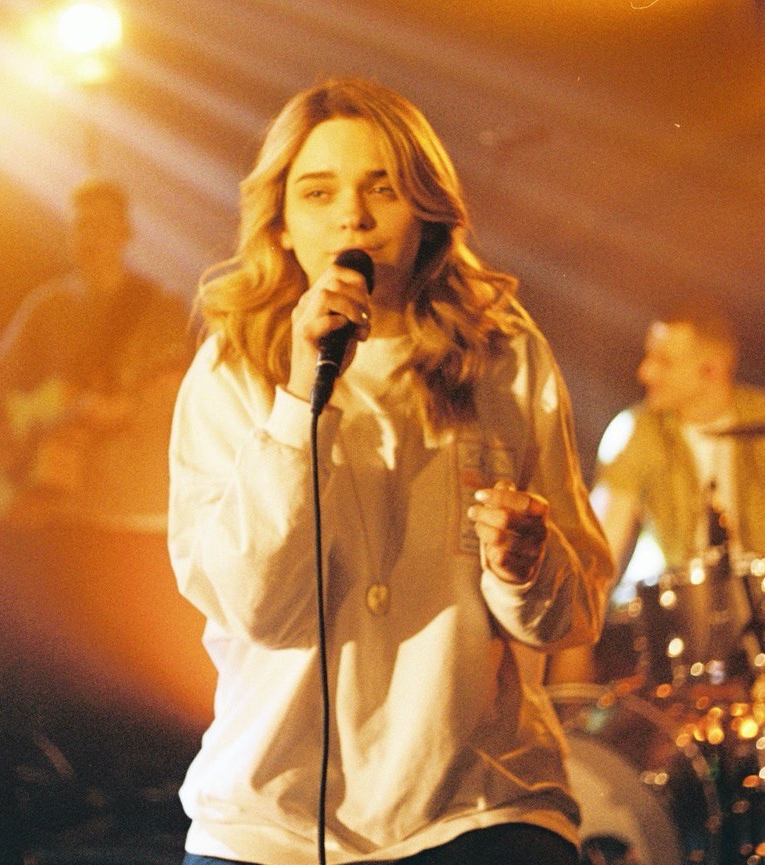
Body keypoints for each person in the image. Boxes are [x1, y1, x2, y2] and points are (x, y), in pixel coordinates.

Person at [167, 77, 613, 865]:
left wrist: (524, 565)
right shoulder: (231, 369)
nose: (352, 216)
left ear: (427, 208)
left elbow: (572, 616)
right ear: (281, 221)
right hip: (273, 821)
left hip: (482, 804)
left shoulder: (505, 357)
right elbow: (256, 607)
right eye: (318, 192)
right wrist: (299, 396)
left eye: (383, 188)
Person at [0, 177, 194, 801]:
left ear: (125, 232)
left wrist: (122, 409)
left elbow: (178, 391)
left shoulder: (160, 308)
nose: (88, 238)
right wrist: (4, 437)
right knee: (86, 652)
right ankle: (94, 782)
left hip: (144, 509)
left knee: (150, 647)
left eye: (100, 225)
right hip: (73, 507)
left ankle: (158, 781)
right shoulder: (48, 306)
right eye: (79, 226)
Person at [586, 300, 765, 684]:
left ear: (712, 369)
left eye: (664, 361)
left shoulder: (760, 417)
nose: (645, 372)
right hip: (667, 628)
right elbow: (596, 558)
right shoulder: (637, 430)